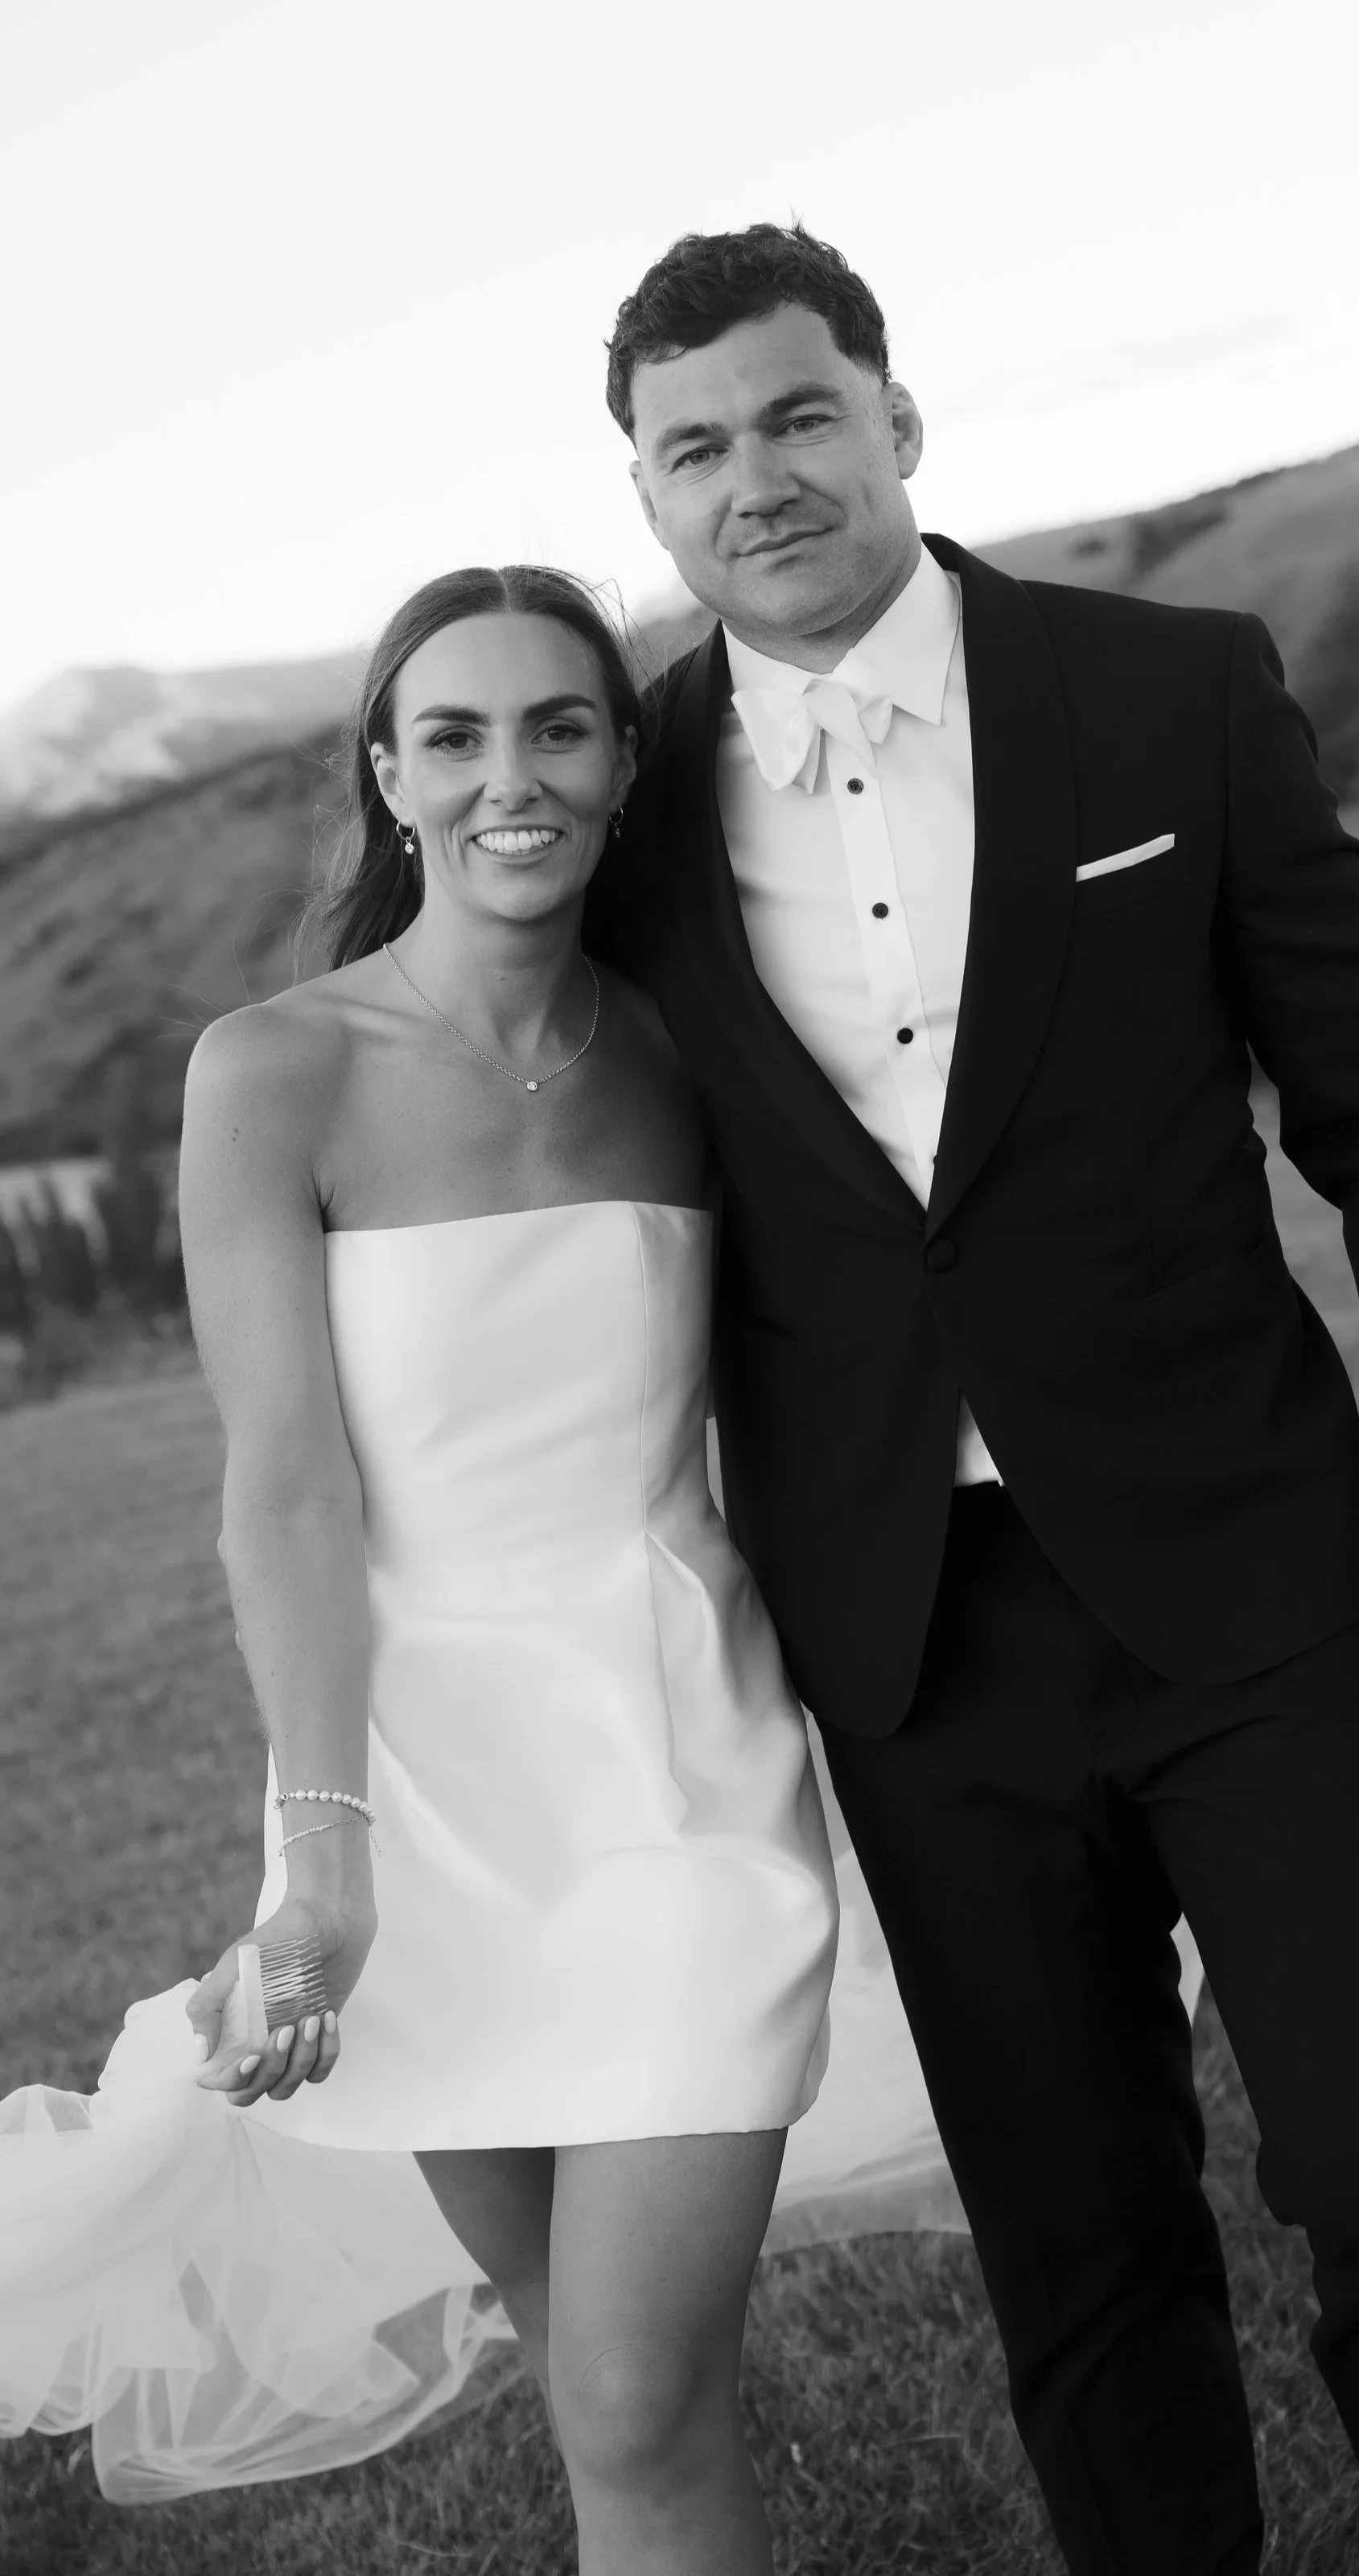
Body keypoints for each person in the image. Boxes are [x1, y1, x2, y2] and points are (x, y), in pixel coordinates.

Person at [591, 222, 1359, 2576]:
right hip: (915, 1637)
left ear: (898, 421)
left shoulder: (1168, 690)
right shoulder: (616, 806)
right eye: (693, 449)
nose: (760, 479)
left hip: (1250, 1575)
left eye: (800, 415)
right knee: (1081, 2242)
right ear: (646, 496)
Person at [2, 566, 855, 2576]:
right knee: (593, 2379)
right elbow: (283, 1490)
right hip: (413, 1789)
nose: (508, 778)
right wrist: (320, 1848)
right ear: (387, 777)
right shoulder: (273, 1069)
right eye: (452, 736)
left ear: (619, 763)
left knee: (639, 2390)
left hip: (679, 1757)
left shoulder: (687, 1054)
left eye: (555, 726)